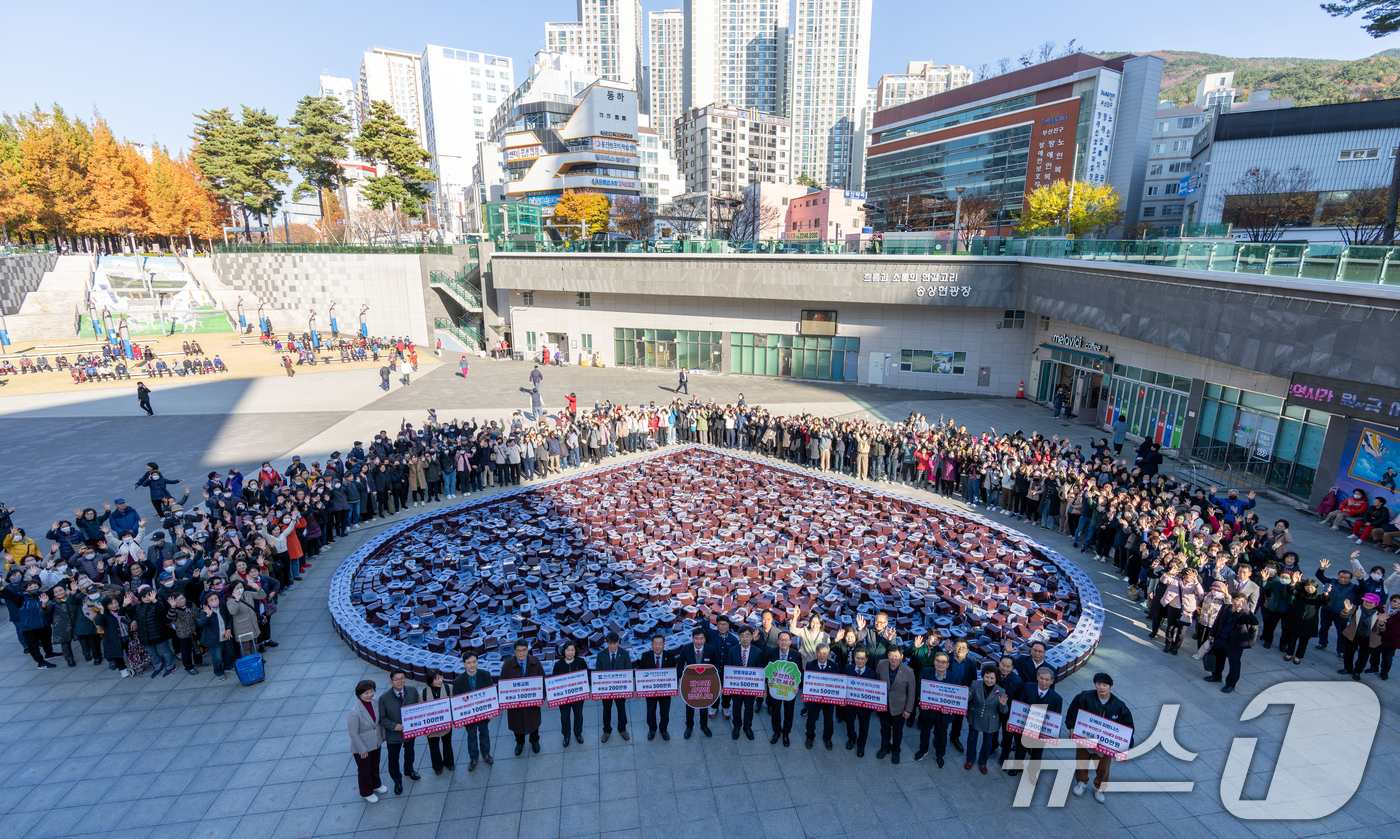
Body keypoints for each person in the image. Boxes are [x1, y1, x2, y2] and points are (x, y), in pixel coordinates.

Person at [1065, 673, 1134, 803]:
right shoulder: (1083, 698)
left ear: (1111, 687)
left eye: (1105, 685)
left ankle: (1099, 787)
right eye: (1098, 684)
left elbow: (1128, 727)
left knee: (1103, 768)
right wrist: (1072, 728)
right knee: (1081, 763)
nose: (1101, 687)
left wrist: (1125, 745)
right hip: (1085, 740)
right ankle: (1081, 783)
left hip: (1105, 745)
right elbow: (1072, 714)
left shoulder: (1119, 706)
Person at [1008, 665, 1062, 778]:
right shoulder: (1028, 687)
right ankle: (1017, 766)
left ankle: (1032, 772)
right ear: (1037, 677)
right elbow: (1020, 705)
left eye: (1047, 679)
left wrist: (1053, 734)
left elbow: (1055, 719)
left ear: (1052, 681)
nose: (1043, 682)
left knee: (1037, 753)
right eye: (1041, 678)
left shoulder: (1057, 698)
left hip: (1041, 731)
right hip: (1025, 726)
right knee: (1020, 748)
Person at [378, 669, 421, 795]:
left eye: (402, 678)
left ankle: (409, 770)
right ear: (391, 682)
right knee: (393, 759)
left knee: (410, 752)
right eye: (396, 679)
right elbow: (382, 718)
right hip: (394, 734)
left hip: (409, 732)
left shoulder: (412, 691)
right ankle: (397, 781)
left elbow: (418, 708)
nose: (399, 681)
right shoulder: (384, 698)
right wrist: (394, 726)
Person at [1206, 594, 1259, 692]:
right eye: (1238, 600)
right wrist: (1212, 633)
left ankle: (1231, 684)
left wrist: (1247, 611)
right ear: (1232, 600)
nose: (1240, 603)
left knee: (1234, 664)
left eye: (1242, 601)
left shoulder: (1244, 614)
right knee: (1219, 659)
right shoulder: (1226, 607)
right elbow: (1217, 620)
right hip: (1221, 638)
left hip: (1235, 643)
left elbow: (1255, 622)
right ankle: (1216, 675)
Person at [451, 652, 495, 770]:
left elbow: (491, 694)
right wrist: (458, 720)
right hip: (468, 715)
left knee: (484, 732)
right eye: (469, 663)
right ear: (464, 665)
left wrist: (492, 711)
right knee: (471, 736)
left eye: (474, 661)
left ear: (478, 662)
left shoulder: (485, 675)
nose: (472, 665)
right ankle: (474, 758)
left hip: (483, 712)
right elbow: (457, 702)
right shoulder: (458, 681)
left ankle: (486, 754)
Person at [500, 641, 545, 754]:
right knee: (517, 725)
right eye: (518, 650)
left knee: (534, 724)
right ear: (514, 651)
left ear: (527, 650)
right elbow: (502, 685)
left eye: (524, 650)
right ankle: (519, 743)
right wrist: (504, 700)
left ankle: (534, 741)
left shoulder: (536, 662)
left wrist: (542, 697)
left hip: (532, 703)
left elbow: (543, 680)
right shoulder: (507, 665)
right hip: (516, 705)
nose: (521, 653)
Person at [349, 680, 389, 803]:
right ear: (359, 694)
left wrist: (383, 735)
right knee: (364, 770)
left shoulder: (376, 701)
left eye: (372, 691)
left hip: (376, 741)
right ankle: (366, 792)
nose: (370, 695)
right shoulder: (354, 713)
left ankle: (376, 785)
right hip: (363, 746)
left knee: (375, 765)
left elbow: (379, 721)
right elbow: (353, 734)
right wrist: (362, 750)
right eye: (366, 693)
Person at [876, 646, 917, 764]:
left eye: (896, 655)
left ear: (902, 656)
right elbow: (877, 681)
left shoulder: (908, 671)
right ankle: (885, 747)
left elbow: (911, 693)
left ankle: (896, 751)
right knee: (884, 729)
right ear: (887, 655)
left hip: (899, 708)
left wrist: (908, 710)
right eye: (891, 655)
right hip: (884, 705)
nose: (893, 658)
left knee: (897, 732)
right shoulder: (881, 664)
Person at [965, 664, 1009, 774]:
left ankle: (983, 762)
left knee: (987, 743)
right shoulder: (975, 684)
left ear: (996, 679)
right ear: (983, 676)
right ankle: (970, 759)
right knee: (972, 739)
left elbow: (1004, 711)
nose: (989, 680)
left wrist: (1003, 705)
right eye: (986, 677)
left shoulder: (1001, 691)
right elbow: (968, 698)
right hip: (975, 715)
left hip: (991, 720)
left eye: (992, 678)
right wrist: (966, 695)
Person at [763, 630, 802, 746]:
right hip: (775, 688)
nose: (783, 642)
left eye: (786, 640)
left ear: (790, 642)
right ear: (778, 641)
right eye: (781, 639)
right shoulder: (772, 653)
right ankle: (776, 732)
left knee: (788, 712)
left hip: (790, 691)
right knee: (775, 711)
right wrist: (768, 679)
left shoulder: (796, 655)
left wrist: (798, 686)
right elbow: (767, 669)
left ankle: (786, 733)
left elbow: (799, 673)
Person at [680, 626, 718, 739]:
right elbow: (680, 664)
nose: (699, 641)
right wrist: (681, 679)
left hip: (704, 684)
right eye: (696, 638)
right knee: (689, 705)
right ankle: (689, 727)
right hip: (690, 683)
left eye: (701, 638)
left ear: (705, 639)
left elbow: (715, 665)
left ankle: (704, 725)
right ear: (692, 639)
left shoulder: (710, 649)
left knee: (704, 704)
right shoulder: (686, 649)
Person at [637, 634, 676, 740]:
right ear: (651, 645)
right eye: (655, 644)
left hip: (665, 692)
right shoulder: (645, 656)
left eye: (660, 644)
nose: (657, 646)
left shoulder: (670, 656)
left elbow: (673, 674)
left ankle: (663, 729)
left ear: (664, 645)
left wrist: (674, 689)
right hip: (651, 691)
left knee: (665, 712)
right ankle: (652, 729)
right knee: (650, 711)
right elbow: (640, 672)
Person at [1339, 593, 1386, 680]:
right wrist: (1346, 610)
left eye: (1370, 603)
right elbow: (1344, 616)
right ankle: (1348, 668)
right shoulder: (1356, 608)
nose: (1367, 604)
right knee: (1348, 653)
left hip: (1368, 638)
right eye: (1366, 601)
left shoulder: (1379, 614)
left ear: (1376, 604)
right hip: (1354, 635)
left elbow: (1382, 629)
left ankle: (1357, 671)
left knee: (1363, 656)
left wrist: (1380, 623)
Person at [595, 631, 631, 742]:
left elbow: (628, 672)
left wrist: (629, 690)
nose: (612, 646)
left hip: (620, 689)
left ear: (618, 642)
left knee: (621, 709)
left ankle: (622, 729)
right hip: (606, 690)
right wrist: (597, 692)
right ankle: (606, 730)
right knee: (606, 709)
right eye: (609, 644)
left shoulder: (625, 654)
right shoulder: (601, 655)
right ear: (606, 643)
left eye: (614, 644)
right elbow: (597, 673)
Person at [725, 626, 760, 740]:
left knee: (749, 707)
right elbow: (728, 668)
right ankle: (736, 726)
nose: (745, 638)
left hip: (751, 688)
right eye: (742, 636)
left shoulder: (757, 652)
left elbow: (760, 671)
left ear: (751, 637)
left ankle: (748, 726)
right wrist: (726, 686)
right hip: (736, 687)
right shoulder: (732, 650)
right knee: (736, 707)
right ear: (739, 637)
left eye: (747, 635)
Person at [803, 643, 838, 750]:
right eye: (819, 653)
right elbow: (806, 682)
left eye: (824, 653)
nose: (822, 655)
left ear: (828, 654)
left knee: (829, 720)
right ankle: (810, 737)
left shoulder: (835, 666)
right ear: (816, 653)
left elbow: (837, 684)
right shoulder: (810, 665)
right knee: (811, 719)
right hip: (814, 700)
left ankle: (827, 738)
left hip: (828, 700)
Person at [553, 641, 588, 747]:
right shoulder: (558, 664)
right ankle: (566, 736)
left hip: (578, 696)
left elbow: (586, 677)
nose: (570, 652)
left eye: (572, 650)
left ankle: (578, 734)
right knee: (564, 716)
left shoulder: (581, 662)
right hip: (563, 697)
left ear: (575, 651)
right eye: (568, 650)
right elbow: (554, 681)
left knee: (578, 715)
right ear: (564, 651)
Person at [844, 648, 876, 757]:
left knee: (864, 727)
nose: (860, 661)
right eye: (858, 658)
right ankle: (851, 739)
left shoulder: (872, 674)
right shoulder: (847, 668)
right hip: (850, 705)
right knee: (849, 723)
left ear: (866, 659)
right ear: (854, 658)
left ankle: (861, 745)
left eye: (862, 659)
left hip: (864, 707)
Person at [422, 669, 455, 774]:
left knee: (447, 744)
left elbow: (454, 705)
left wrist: (455, 721)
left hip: (446, 725)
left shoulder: (448, 688)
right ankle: (437, 766)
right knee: (434, 747)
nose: (440, 680)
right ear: (431, 680)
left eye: (441, 677)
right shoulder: (423, 693)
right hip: (431, 728)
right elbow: (420, 713)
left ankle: (449, 763)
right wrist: (423, 729)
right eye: (437, 679)